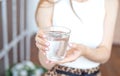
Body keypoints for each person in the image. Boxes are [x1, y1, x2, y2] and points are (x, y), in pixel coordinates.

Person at [35, 0, 119, 76]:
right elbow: (46, 63)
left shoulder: (110, 2)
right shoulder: (48, 3)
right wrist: (44, 47)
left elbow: (105, 54)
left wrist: (85, 51)